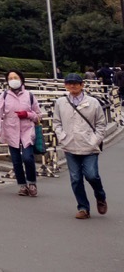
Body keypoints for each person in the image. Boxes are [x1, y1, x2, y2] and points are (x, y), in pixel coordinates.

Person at [52, 72, 108, 219]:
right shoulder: (60, 102)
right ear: (65, 85)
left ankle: (100, 195)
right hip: (70, 145)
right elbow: (56, 122)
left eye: (75, 83)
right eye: (69, 83)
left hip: (89, 146)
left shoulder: (93, 102)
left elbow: (101, 124)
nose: (72, 86)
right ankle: (83, 207)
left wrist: (95, 140)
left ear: (82, 85)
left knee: (92, 175)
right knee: (76, 179)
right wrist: (62, 137)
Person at [0, 69, 40, 196]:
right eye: (10, 78)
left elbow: (39, 115)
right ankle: (22, 185)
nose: (13, 80)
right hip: (11, 130)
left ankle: (32, 182)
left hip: (27, 130)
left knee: (28, 158)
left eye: (15, 77)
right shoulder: (4, 95)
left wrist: (28, 114)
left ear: (21, 79)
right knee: (16, 160)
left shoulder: (29, 95)